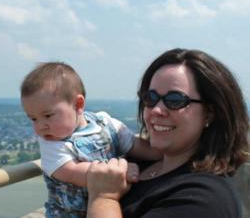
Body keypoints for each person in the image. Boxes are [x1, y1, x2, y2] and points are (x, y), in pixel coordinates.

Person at [86, 48, 249, 218]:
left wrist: (103, 198)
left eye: (175, 100)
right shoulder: (138, 163)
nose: (157, 110)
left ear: (209, 113)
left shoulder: (203, 200)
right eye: (150, 98)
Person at [20, 62, 161, 217]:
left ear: (78, 105)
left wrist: (164, 154)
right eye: (33, 119)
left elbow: (135, 145)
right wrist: (122, 172)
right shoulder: (51, 145)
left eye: (47, 116)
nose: (41, 126)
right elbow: (73, 172)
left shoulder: (106, 123)